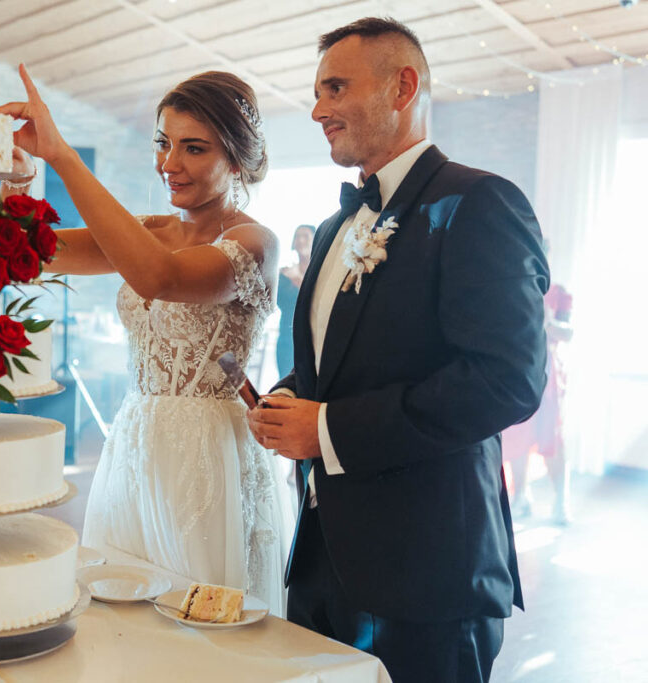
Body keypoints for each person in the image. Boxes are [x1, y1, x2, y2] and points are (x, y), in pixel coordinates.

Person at [247, 18, 548, 682]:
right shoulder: (334, 226)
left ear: (402, 87)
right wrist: (291, 397)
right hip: (320, 561)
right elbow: (339, 361)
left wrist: (326, 430)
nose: (318, 110)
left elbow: (506, 381)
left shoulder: (478, 203)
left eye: (335, 88)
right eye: (317, 93)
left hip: (428, 576)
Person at [0, 65, 292, 613]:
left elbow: (161, 278)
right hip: (135, 440)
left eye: (193, 148)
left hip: (208, 454)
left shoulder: (255, 243)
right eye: (163, 143)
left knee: (199, 618)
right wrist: (19, 177)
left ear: (236, 159)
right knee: (124, 612)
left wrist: (63, 156)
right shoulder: (150, 230)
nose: (168, 163)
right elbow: (30, 252)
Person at [503, 278, 573, 524]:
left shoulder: (559, 293)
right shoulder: (514, 285)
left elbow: (568, 332)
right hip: (518, 370)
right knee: (516, 435)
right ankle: (521, 496)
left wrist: (547, 322)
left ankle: (561, 500)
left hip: (548, 375)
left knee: (550, 436)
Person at [276, 224, 315, 377]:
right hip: (287, 338)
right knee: (285, 379)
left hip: (312, 339)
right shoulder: (284, 275)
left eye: (306, 236)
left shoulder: (320, 274)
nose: (301, 240)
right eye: (297, 236)